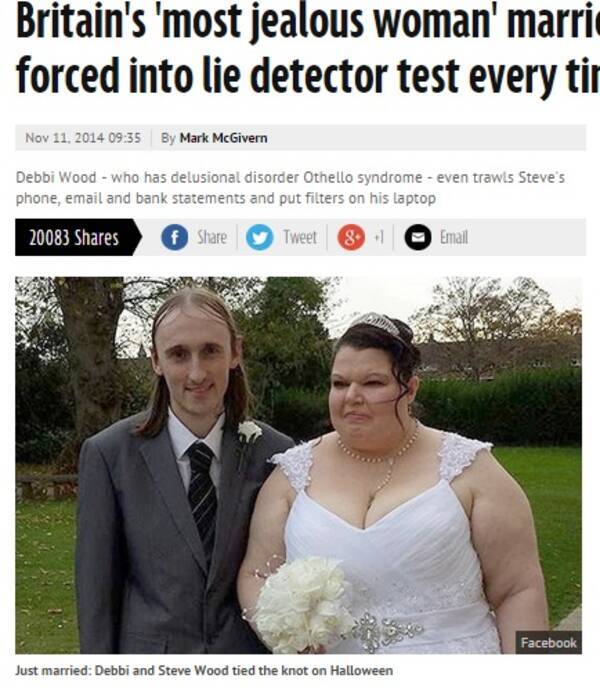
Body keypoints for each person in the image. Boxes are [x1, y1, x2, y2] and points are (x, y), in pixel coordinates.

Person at [238, 312, 548, 654]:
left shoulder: (471, 469)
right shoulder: (292, 472)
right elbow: (256, 574)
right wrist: (285, 633)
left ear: (410, 389)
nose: (352, 396)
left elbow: (520, 589)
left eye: (372, 383)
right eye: (339, 383)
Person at [76, 287, 293, 653]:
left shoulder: (276, 453)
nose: (196, 372)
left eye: (210, 351)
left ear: (235, 352)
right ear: (156, 361)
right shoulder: (109, 455)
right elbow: (96, 592)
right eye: (178, 354)